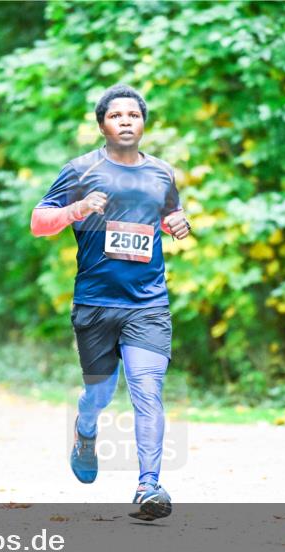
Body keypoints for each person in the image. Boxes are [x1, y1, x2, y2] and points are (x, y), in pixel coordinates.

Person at [31, 84, 192, 521]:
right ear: (102, 124)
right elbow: (38, 222)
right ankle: (86, 429)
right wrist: (76, 209)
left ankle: (149, 486)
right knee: (99, 393)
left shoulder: (161, 173)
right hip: (96, 303)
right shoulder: (81, 170)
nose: (125, 120)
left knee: (147, 389)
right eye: (116, 115)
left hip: (147, 303)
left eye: (133, 115)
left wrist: (177, 222)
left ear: (143, 123)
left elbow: (167, 216)